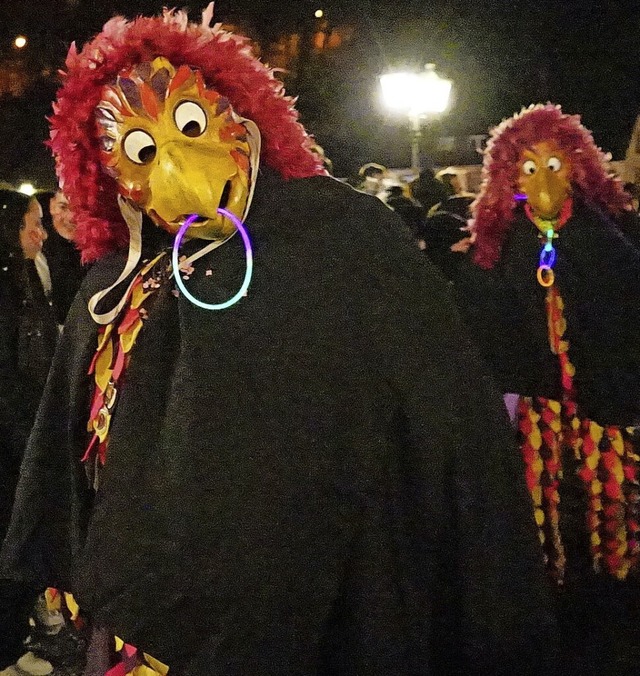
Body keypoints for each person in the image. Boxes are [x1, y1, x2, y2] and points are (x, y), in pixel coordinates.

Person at [1, 9, 557, 675]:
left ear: (242, 118)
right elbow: (75, 464)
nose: (175, 160)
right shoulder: (115, 282)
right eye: (139, 150)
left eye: (189, 123)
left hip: (314, 609)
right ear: (110, 179)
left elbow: (441, 428)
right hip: (142, 618)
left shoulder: (343, 240)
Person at [456, 103, 640, 674]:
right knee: (542, 509)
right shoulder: (494, 247)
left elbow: (623, 300)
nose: (543, 179)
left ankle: (618, 602)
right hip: (535, 410)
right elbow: (483, 330)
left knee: (613, 506)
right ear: (509, 177)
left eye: (555, 164)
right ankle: (553, 599)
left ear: (579, 169)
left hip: (603, 405)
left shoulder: (609, 236)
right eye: (529, 168)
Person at [0, 190, 59, 670]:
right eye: (30, 223)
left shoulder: (24, 278)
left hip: (25, 430)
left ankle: (13, 638)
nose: (40, 232)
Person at [38, 190, 86, 325]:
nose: (71, 217)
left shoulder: (105, 254)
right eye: (63, 207)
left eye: (80, 209)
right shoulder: (38, 248)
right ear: (51, 205)